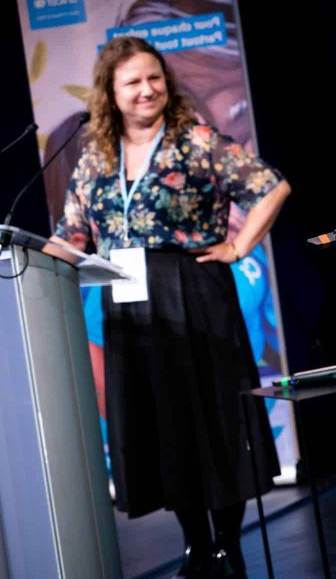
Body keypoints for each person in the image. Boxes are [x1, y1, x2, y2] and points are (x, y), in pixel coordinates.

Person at [53, 36, 290, 579]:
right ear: (110, 94)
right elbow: (71, 235)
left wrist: (238, 246)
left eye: (154, 78)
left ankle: (228, 541)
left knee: (212, 417)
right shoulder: (94, 158)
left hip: (195, 291)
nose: (146, 90)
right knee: (165, 423)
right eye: (132, 82)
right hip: (129, 304)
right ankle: (197, 544)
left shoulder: (197, 141)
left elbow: (271, 187)